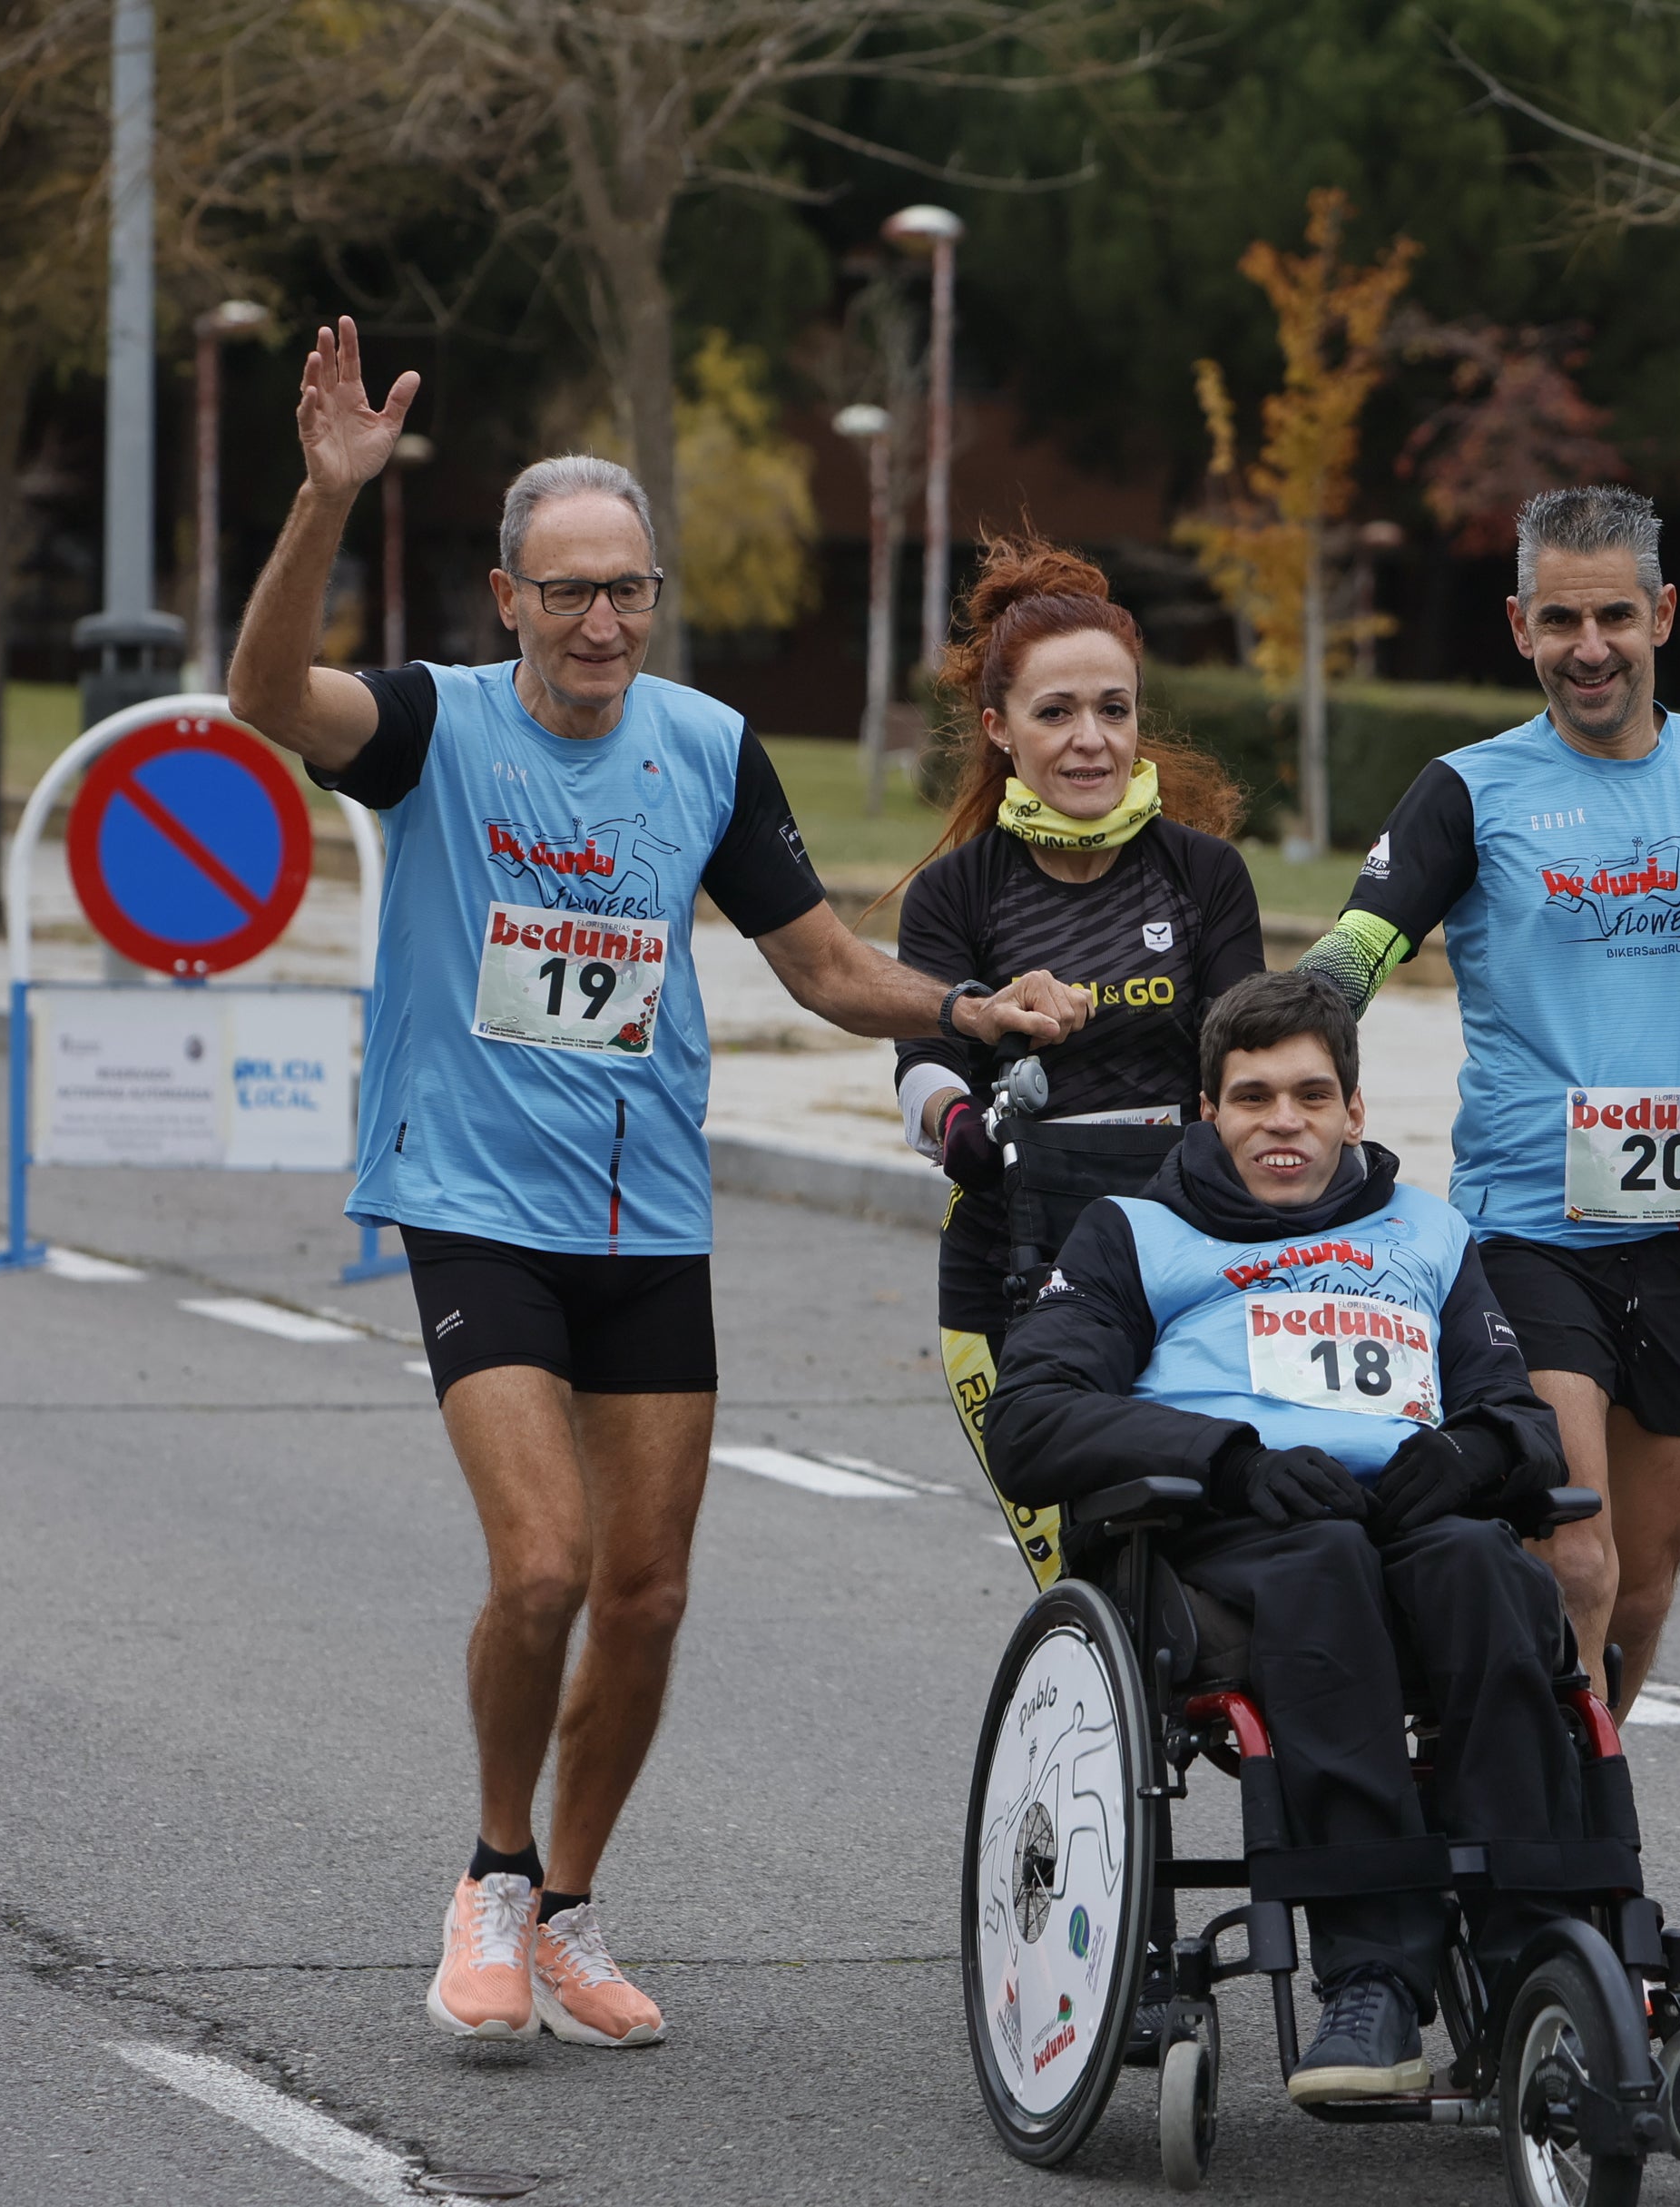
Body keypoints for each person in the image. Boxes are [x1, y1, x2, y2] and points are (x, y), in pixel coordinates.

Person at [226, 319, 1085, 2048]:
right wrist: (323, 500)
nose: (603, 622)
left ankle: (567, 1911)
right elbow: (261, 702)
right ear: (504, 598)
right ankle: (484, 1873)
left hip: (645, 1220)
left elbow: (825, 964)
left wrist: (966, 1011)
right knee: (540, 1567)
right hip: (471, 1199)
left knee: (647, 1591)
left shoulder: (702, 745)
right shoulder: (433, 729)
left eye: (629, 590)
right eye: (569, 594)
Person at [1295, 486, 1680, 1716]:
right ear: (1520, 628)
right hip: (1530, 1237)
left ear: (1662, 614)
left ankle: (1572, 1796)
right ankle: (1545, 1815)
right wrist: (1287, 1041)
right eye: (1561, 620)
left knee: (1650, 1586)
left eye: (1616, 614)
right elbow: (1356, 950)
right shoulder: (1470, 789)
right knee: (1573, 1558)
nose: (1591, 648)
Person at [987, 970, 1596, 2105]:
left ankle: (1542, 1961)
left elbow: (1520, 1418)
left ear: (1355, 1110)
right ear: (1207, 1110)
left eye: (1312, 1095)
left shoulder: (1429, 1230)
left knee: (1492, 1577)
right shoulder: (1138, 1233)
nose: (1283, 1120)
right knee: (1326, 1573)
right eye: (1253, 1095)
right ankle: (1373, 1978)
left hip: (1414, 1520)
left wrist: (1471, 1456)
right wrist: (1230, 1456)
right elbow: (1030, 1414)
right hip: (1239, 1527)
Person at [888, 536, 1263, 1583]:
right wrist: (968, 1113)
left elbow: (1249, 1057)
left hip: (1192, 1260)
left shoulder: (1205, 877)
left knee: (1218, 1551)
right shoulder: (959, 892)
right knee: (1087, 1578)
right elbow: (921, 1067)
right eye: (1056, 713)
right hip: (1011, 1273)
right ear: (1002, 731)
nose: (1090, 739)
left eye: (1115, 707)